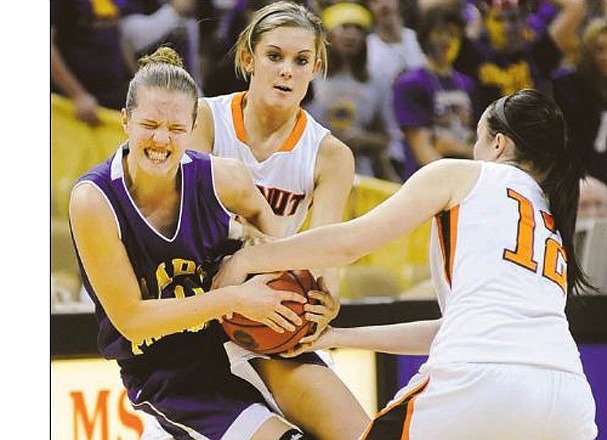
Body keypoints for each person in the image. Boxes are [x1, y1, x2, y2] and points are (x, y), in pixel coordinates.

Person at [216, 89, 599, 439]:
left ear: (498, 144)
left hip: (478, 384)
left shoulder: (463, 175)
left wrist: (252, 256)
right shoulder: (550, 223)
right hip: (569, 402)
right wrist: (337, 338)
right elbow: (455, 329)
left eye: (477, 140)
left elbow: (350, 243)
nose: (473, 150)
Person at [69, 46, 324, 439]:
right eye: (149, 124)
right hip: (169, 369)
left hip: (242, 337)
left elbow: (282, 248)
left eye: (175, 129)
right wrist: (236, 299)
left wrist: (314, 296)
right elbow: (133, 321)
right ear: (125, 121)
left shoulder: (226, 178)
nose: (160, 139)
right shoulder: (94, 200)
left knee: (355, 431)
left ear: (192, 129)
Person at [189, 2, 370, 439]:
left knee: (359, 431)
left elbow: (327, 250)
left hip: (270, 312)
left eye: (301, 60)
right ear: (249, 59)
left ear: (316, 68)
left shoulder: (330, 155)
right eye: (274, 56)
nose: (287, 70)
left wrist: (328, 296)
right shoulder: (205, 118)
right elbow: (191, 221)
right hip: (196, 306)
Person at [305, 2, 398, 181]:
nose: (352, 34)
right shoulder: (309, 72)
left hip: (359, 171)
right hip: (310, 166)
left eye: (358, 29)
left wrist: (364, 139)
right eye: (345, 27)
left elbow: (388, 137)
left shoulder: (378, 80)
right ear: (328, 34)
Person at [452, 0, 587, 117]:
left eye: (514, 19)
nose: (507, 27)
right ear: (486, 23)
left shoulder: (539, 53)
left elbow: (575, 7)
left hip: (533, 139)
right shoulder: (473, 55)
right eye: (498, 19)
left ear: (525, 22)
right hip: (489, 140)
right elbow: (431, 8)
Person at [393, 4, 477, 179]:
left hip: (465, 177)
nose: (446, 40)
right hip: (426, 180)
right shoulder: (411, 83)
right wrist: (454, 183)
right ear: (425, 37)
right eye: (439, 33)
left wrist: (457, 148)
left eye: (453, 34)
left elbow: (477, 141)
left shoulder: (467, 83)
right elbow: (421, 149)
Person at [552, 18, 607, 188]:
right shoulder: (567, 84)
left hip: (606, 174)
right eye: (600, 49)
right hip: (572, 176)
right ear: (588, 51)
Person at [366, 0, 427, 180]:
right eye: (376, 1)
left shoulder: (416, 39)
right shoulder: (368, 48)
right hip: (392, 140)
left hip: (423, 132)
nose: (384, 5)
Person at [51, 0, 131, 125]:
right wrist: (78, 96)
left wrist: (135, 79)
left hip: (115, 95)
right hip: (75, 106)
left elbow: (116, 37)